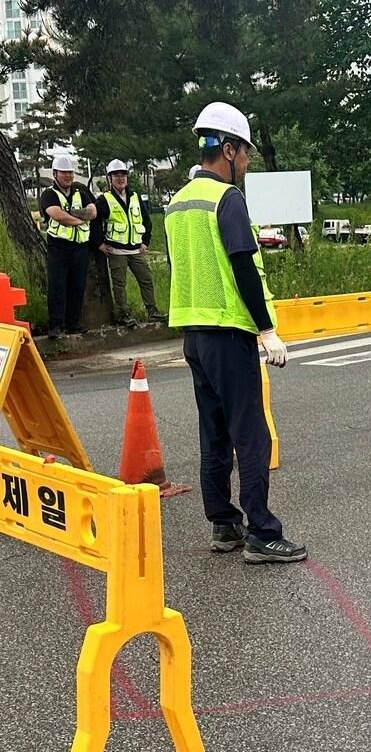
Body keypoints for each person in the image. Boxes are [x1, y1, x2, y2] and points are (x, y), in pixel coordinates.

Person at [165, 102, 305, 564]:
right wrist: (267, 331)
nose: (245, 163)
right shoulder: (226, 200)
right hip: (229, 333)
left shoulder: (179, 202)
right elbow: (243, 266)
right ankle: (262, 532)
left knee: (215, 432)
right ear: (227, 150)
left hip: (195, 336)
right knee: (252, 435)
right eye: (243, 154)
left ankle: (224, 524)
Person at [94, 160, 165, 326]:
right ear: (109, 178)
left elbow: (146, 221)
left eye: (123, 175)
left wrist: (145, 242)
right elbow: (94, 222)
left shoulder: (135, 197)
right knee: (119, 285)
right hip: (116, 250)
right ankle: (124, 314)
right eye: (116, 175)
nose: (120, 178)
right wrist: (99, 243)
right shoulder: (105, 199)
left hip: (136, 249)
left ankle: (152, 311)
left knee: (146, 279)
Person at [39, 154, 98, 338]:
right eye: (64, 173)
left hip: (80, 247)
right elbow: (57, 215)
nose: (68, 177)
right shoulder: (49, 194)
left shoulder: (81, 191)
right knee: (57, 287)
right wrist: (80, 219)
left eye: (70, 173)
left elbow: (93, 212)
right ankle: (56, 325)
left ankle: (73, 323)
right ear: (55, 174)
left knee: (77, 286)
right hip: (59, 248)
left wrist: (74, 215)